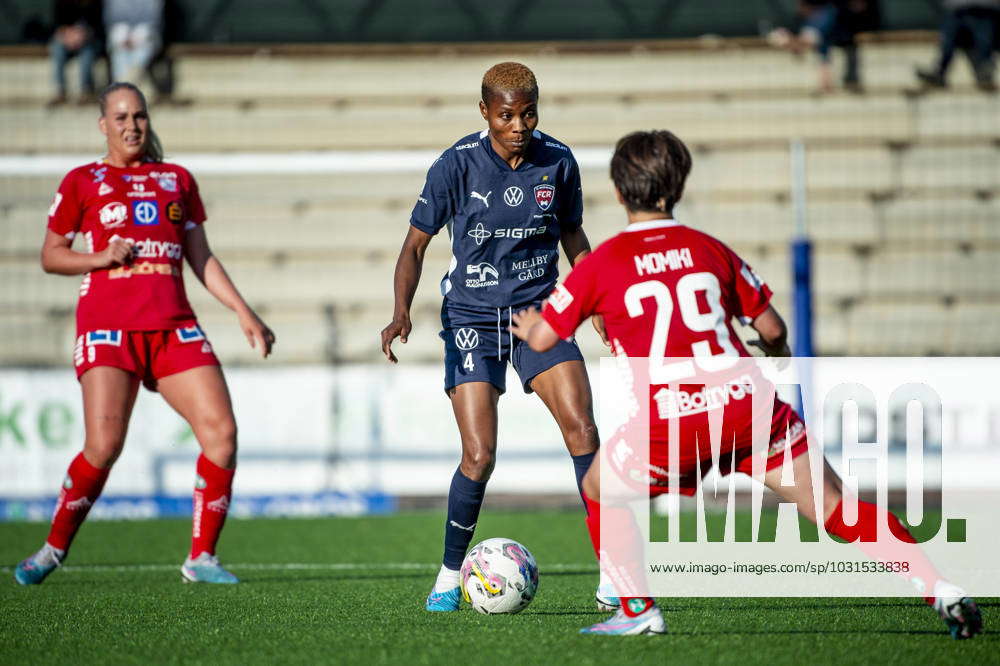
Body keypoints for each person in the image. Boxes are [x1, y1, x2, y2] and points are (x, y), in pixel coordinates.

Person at [509, 129, 983, 638]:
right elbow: (773, 329)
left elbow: (543, 338)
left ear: (620, 192)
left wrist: (527, 324)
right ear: (679, 187)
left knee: (599, 487)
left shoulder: (602, 264)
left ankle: (638, 608)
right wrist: (774, 355)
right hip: (749, 407)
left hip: (675, 422)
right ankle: (940, 588)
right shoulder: (710, 249)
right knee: (836, 508)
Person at [14, 82, 275, 586]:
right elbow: (51, 255)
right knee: (104, 444)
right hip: (109, 327)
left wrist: (244, 312)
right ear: (102, 125)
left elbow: (200, 256)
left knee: (221, 434)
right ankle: (52, 549)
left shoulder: (176, 179)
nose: (131, 125)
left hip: (174, 327)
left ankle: (201, 558)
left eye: (138, 116)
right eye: (120, 117)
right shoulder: (82, 181)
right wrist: (99, 257)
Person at [380, 62, 607, 612]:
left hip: (540, 316)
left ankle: (615, 574)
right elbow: (414, 246)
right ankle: (448, 575)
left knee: (583, 431)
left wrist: (596, 298)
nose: (519, 124)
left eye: (528, 113)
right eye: (506, 115)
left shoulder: (559, 160)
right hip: (472, 319)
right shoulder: (455, 164)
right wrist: (401, 312)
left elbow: (573, 233)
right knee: (479, 455)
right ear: (485, 112)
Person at [768, 0, 880, 93]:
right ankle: (827, 84)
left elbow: (808, 41)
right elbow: (808, 42)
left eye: (801, 5)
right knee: (823, 52)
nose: (798, 9)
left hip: (847, 39)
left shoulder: (826, 15)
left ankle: (846, 83)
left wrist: (790, 42)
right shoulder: (809, 21)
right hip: (831, 42)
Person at [915, 0, 999, 91]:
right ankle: (939, 73)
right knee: (948, 42)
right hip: (956, 11)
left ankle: (985, 72)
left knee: (984, 40)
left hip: (985, 11)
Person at [48, 0, 104, 106]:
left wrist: (84, 35)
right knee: (57, 48)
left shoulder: (96, 3)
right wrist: (67, 35)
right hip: (67, 39)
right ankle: (60, 91)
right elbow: (57, 25)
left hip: (89, 41)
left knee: (87, 53)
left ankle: (86, 91)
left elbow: (99, 26)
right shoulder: (61, 3)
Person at [104, 0, 164, 84]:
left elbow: (154, 20)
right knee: (120, 53)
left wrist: (137, 36)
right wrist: (123, 35)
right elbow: (110, 19)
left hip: (146, 37)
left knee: (141, 51)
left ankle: (125, 84)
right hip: (121, 37)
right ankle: (123, 84)